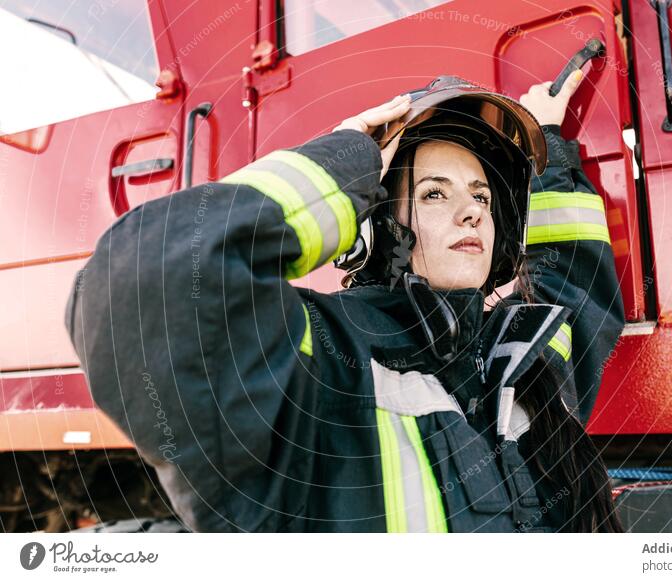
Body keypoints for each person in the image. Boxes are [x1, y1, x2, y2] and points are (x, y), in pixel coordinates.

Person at [65, 71, 624, 533]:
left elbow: (573, 286)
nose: (474, 211)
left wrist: (549, 151)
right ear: (379, 229)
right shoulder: (321, 360)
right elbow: (147, 288)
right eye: (434, 193)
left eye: (481, 196)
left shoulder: (522, 356)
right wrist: (349, 158)